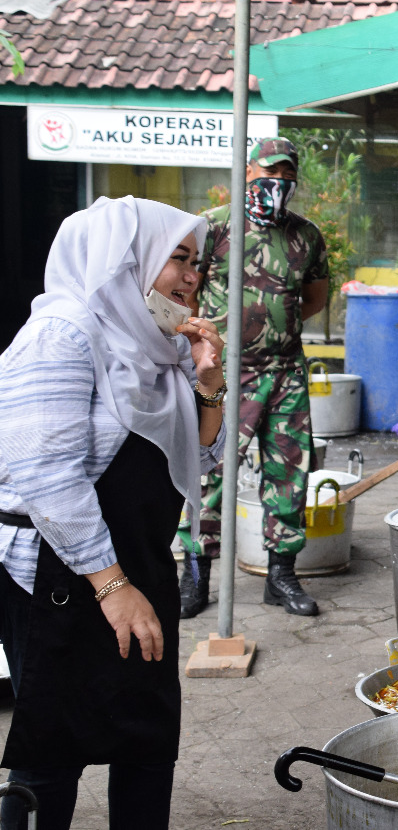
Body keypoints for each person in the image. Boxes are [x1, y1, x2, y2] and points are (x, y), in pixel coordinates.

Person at [0, 196, 227, 830]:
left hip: (140, 562)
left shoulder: (161, 349)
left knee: (146, 742)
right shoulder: (62, 334)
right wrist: (111, 585)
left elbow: (204, 462)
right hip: (59, 574)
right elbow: (45, 474)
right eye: (176, 259)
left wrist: (209, 384)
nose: (192, 277)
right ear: (124, 261)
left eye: (197, 263)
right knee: (54, 748)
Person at [182, 137, 329, 618]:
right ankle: (197, 575)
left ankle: (281, 575)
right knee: (208, 473)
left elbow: (314, 298)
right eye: (270, 173)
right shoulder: (214, 227)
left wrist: (270, 326)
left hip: (285, 370)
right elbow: (185, 289)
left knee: (289, 471)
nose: (279, 184)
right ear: (246, 172)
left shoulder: (305, 235)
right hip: (224, 372)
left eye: (288, 177)